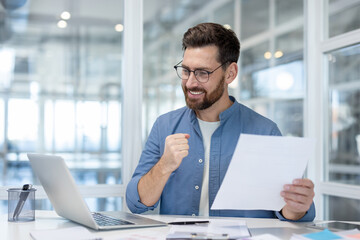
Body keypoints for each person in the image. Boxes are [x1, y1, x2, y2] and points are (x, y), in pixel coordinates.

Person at [126, 22, 315, 221]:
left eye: (202, 73)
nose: (190, 82)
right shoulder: (164, 126)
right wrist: (164, 165)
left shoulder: (264, 131)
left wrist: (297, 206)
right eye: (186, 71)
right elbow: (136, 203)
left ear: (230, 73)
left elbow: (289, 210)